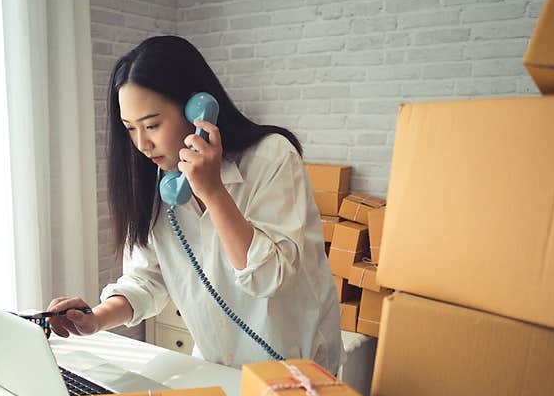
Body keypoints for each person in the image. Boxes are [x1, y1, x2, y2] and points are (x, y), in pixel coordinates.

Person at [46, 35, 345, 374]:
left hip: (297, 371)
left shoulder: (271, 157)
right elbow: (147, 278)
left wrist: (213, 192)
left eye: (152, 125)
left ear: (197, 110)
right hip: (217, 367)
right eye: (130, 129)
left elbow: (269, 278)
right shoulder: (158, 181)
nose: (142, 144)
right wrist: (94, 319)